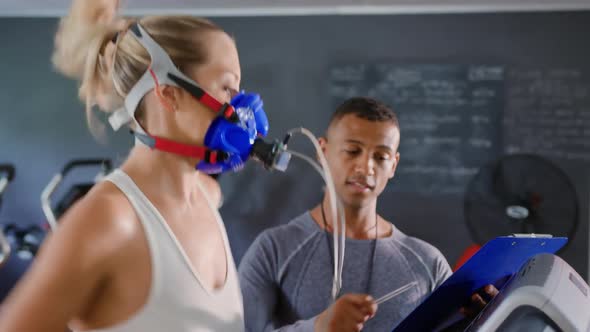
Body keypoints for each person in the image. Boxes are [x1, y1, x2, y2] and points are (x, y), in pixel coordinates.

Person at [0, 0, 261, 331]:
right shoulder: (109, 221)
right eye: (227, 87)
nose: (241, 111)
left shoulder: (208, 197)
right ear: (168, 94)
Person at [239, 97, 496, 332]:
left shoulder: (428, 263)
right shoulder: (274, 249)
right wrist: (316, 328)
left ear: (393, 165)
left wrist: (484, 319)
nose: (366, 167)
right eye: (352, 151)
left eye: (381, 156)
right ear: (323, 151)